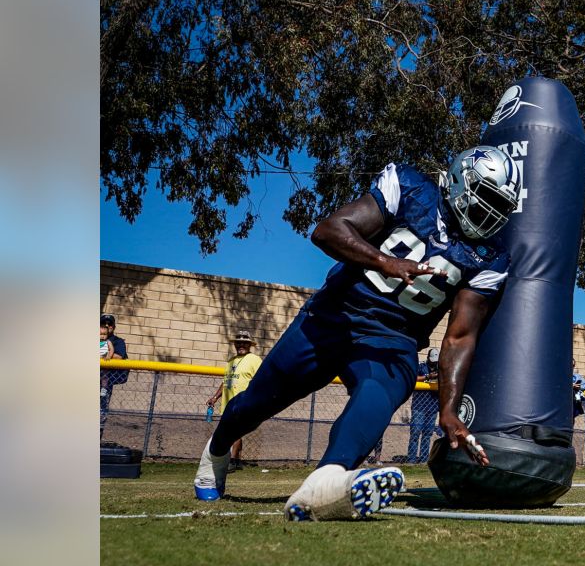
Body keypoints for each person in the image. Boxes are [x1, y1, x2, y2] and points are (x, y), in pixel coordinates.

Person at [192, 147, 520, 520]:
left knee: (382, 390)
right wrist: (385, 261)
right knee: (257, 403)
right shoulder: (412, 190)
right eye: (486, 199)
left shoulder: (490, 257)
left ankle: (326, 480)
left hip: (394, 338)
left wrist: (448, 408)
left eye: (500, 206)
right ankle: (217, 449)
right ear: (461, 181)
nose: (490, 213)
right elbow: (328, 230)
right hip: (335, 315)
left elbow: (460, 337)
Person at [204, 331, 263, 471]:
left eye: (244, 343)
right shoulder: (231, 361)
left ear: (249, 345)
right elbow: (225, 382)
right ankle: (236, 460)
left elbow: (260, 380)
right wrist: (215, 397)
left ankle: (231, 460)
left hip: (243, 401)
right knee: (236, 431)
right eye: (238, 342)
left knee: (234, 430)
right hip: (228, 402)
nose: (241, 345)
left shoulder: (255, 360)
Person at [406, 347, 442, 464]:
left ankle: (423, 459)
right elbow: (413, 378)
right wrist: (427, 377)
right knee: (415, 432)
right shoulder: (421, 367)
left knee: (427, 434)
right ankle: (411, 459)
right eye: (432, 360)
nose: (433, 363)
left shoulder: (440, 369)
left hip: (433, 406)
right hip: (419, 406)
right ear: (428, 358)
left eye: (435, 361)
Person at [99, 314, 128, 439]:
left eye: (109, 324)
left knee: (101, 411)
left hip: (105, 382)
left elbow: (119, 356)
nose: (107, 326)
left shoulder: (117, 341)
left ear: (113, 327)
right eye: (103, 323)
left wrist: (101, 354)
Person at [571, 358, 585, 423]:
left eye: (573, 365)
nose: (572, 367)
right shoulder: (560, 375)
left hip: (573, 403)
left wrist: (579, 387)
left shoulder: (576, 377)